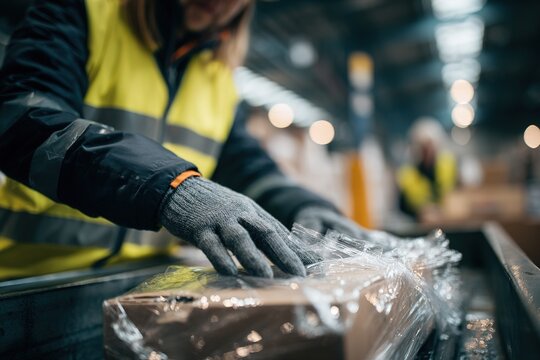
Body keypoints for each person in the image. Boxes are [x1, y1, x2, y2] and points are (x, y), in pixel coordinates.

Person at [0, 0, 363, 280]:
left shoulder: (217, 75)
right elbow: (21, 119)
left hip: (138, 285)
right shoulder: (85, 12)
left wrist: (301, 208)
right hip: (29, 281)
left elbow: (243, 167)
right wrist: (169, 188)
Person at [397, 118, 457, 220]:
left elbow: (458, 193)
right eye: (423, 147)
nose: (428, 151)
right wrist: (419, 213)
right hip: (420, 225)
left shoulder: (448, 165)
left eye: (430, 145)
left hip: (447, 221)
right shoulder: (407, 173)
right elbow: (402, 207)